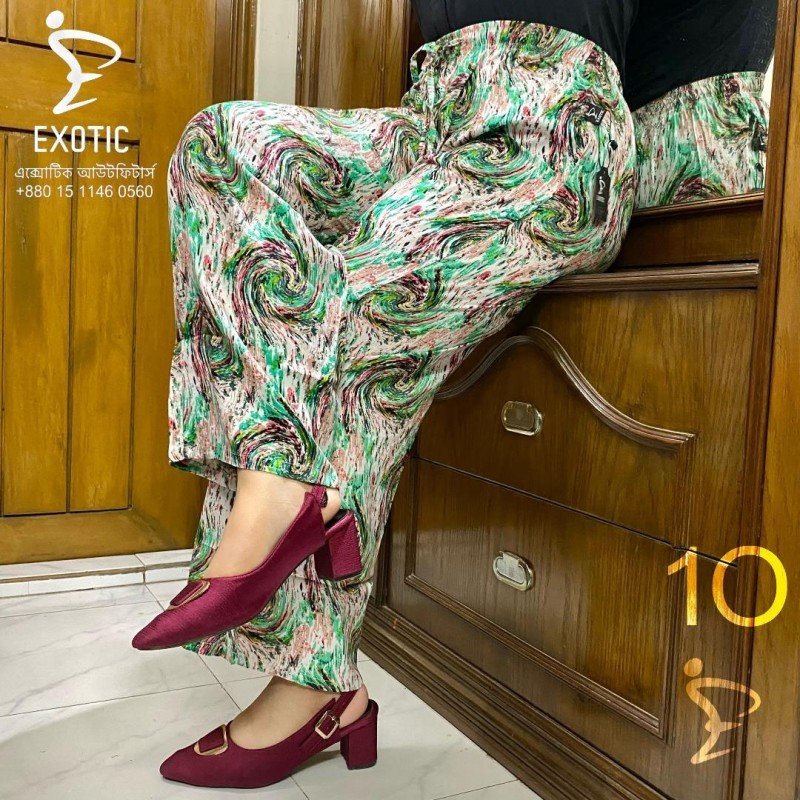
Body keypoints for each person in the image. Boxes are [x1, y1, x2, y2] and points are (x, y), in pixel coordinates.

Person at [131, 1, 638, 788]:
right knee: (218, 145)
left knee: (340, 322)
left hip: (550, 130)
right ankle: (283, 481)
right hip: (429, 120)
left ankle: (315, 681)